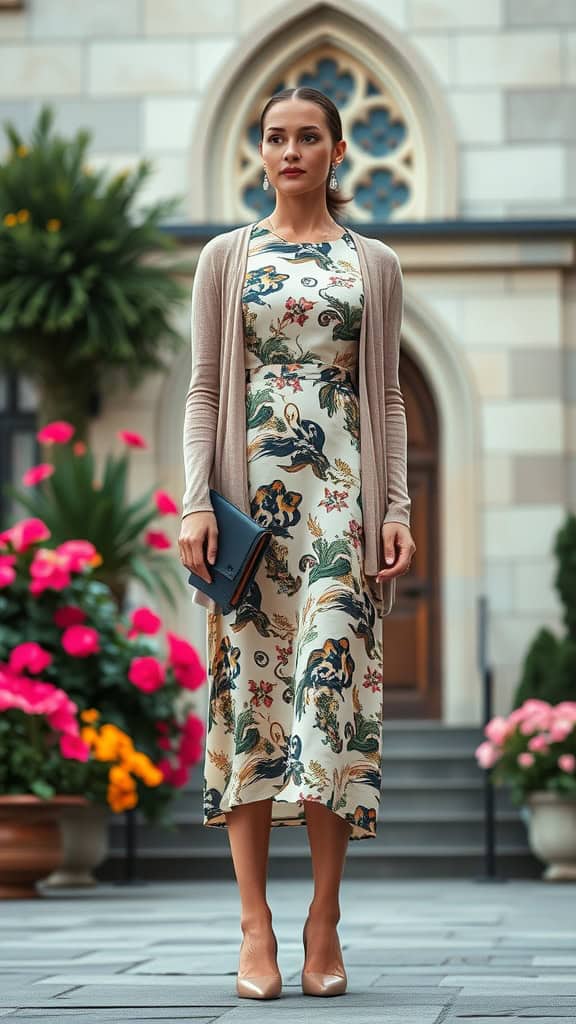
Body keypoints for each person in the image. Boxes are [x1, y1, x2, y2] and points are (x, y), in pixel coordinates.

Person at [178, 86, 416, 1000]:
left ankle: (323, 919)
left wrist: (394, 509)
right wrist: (197, 501)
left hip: (340, 516)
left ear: (337, 149)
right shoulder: (224, 258)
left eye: (307, 137)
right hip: (249, 517)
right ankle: (255, 926)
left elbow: (388, 396)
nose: (289, 152)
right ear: (261, 150)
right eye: (275, 138)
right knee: (251, 703)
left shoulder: (375, 263)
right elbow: (205, 392)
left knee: (326, 701)